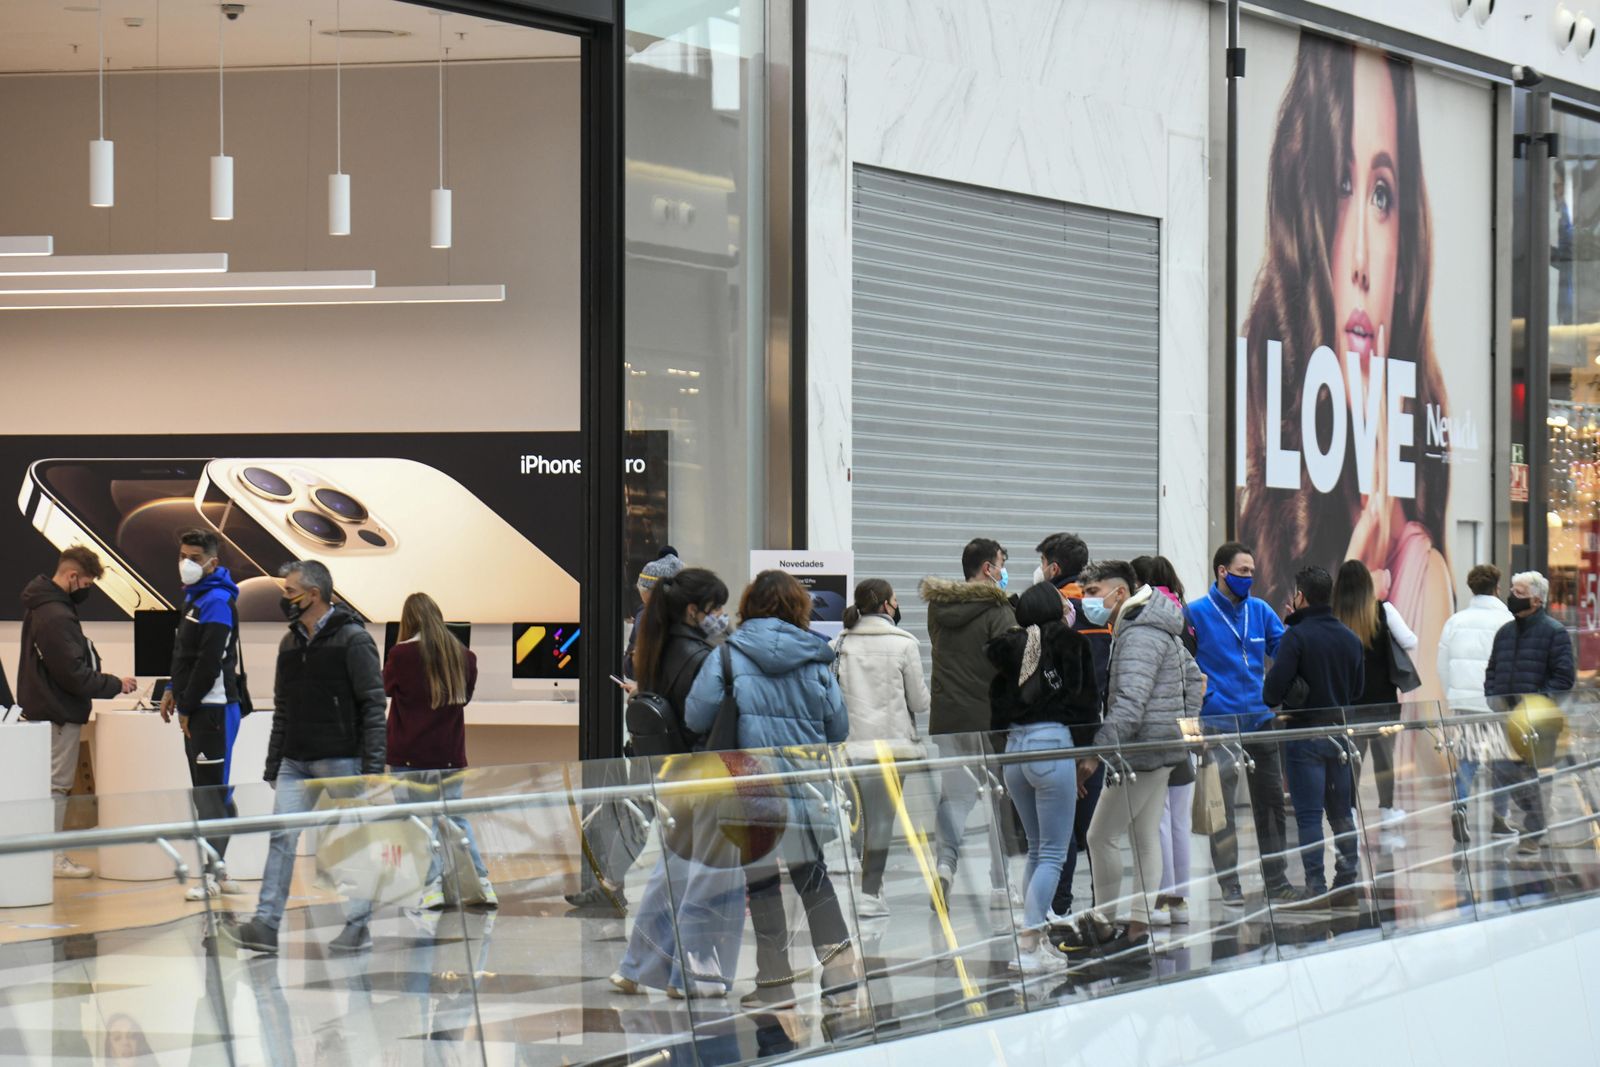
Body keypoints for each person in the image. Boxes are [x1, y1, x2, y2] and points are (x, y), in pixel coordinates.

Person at [1237, 36, 1454, 704]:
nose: (1360, 255)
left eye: (1383, 195)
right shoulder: (1270, 512)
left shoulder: (1416, 566)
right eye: (1341, 185)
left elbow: (1404, 790)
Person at [683, 570, 857, 1008]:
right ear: (798, 606)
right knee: (812, 877)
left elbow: (696, 717)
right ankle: (840, 977)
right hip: (803, 785)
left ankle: (775, 982)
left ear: (750, 605)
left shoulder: (726, 656)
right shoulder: (816, 659)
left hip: (750, 789)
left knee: (761, 884)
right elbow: (838, 728)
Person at [224, 560, 387, 956]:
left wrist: (372, 766)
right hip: (295, 759)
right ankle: (265, 924)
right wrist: (273, 761)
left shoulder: (353, 639)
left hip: (342, 758)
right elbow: (283, 707)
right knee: (282, 838)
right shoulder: (289, 643)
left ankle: (358, 925)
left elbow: (373, 704)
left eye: (290, 591)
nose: (284, 598)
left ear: (313, 594)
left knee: (349, 842)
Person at [611, 568, 747, 999]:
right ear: (694, 611)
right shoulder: (703, 658)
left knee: (671, 872)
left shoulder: (654, 650)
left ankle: (636, 966)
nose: (721, 617)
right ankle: (692, 975)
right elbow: (708, 719)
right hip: (708, 777)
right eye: (716, 608)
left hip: (672, 777)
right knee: (713, 879)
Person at [1075, 561, 1199, 954]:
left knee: (1100, 835)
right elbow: (1195, 679)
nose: (1087, 602)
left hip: (1142, 753)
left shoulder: (1138, 634)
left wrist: (1097, 754)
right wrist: (1181, 724)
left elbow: (1129, 703)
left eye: (1093, 593)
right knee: (1145, 836)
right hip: (1162, 750)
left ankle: (1106, 921)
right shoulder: (1158, 626)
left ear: (1120, 593)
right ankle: (1138, 926)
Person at [985, 582, 1096, 972]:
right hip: (1053, 746)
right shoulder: (1070, 644)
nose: (1071, 605)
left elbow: (996, 706)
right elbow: (1086, 703)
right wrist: (1083, 754)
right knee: (1053, 850)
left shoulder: (1009, 649)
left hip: (1014, 751)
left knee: (1036, 847)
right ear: (1054, 607)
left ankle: (1032, 937)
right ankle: (1029, 942)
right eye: (1065, 601)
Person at [568, 547, 684, 913]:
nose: (641, 599)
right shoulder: (668, 626)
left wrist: (643, 689)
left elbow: (679, 685)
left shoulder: (668, 630)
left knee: (650, 814)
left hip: (670, 743)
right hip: (661, 739)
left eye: (645, 593)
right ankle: (611, 884)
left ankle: (620, 885)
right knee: (641, 813)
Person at [17, 546, 137, 880]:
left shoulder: (45, 607)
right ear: (72, 577)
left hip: (48, 708)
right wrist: (114, 684)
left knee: (50, 786)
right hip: (57, 711)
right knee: (56, 786)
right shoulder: (55, 615)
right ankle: (52, 857)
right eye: (86, 583)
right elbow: (72, 673)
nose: (87, 590)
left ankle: (45, 854)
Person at [1187, 541, 1293, 908]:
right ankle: (1228, 882)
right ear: (1222, 571)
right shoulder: (1196, 614)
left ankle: (1276, 879)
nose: (1249, 577)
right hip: (1219, 722)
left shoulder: (1260, 610)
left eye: (1252, 571)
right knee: (1223, 808)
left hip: (1261, 720)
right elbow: (1185, 665)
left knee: (1271, 803)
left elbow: (1284, 652)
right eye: (1242, 571)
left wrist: (1295, 630)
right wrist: (1203, 703)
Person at [920, 539, 1018, 912]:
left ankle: (945, 867)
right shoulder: (999, 610)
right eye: (1001, 563)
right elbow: (1010, 666)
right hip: (989, 720)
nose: (1004, 571)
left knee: (955, 798)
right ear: (987, 569)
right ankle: (1000, 885)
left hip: (948, 720)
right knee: (998, 801)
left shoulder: (938, 608)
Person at [1263, 565, 1366, 907]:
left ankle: (1316, 884)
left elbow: (1271, 693)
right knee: (1341, 814)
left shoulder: (1297, 636)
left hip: (1304, 736)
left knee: (1309, 817)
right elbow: (1358, 689)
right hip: (1340, 736)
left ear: (1301, 597)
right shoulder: (1349, 637)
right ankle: (1348, 877)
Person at [385, 592, 496, 910]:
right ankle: (483, 882)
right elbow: (465, 698)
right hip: (449, 753)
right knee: (455, 816)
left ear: (408, 621)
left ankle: (432, 887)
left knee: (419, 823)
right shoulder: (464, 655)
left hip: (408, 753)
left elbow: (384, 687)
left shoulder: (401, 655)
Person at [830, 578, 929, 918]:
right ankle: (871, 891)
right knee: (883, 818)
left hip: (852, 747)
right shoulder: (904, 644)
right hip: (892, 747)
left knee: (860, 817)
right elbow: (919, 701)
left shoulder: (839, 644)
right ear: (887, 605)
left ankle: (867, 883)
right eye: (896, 600)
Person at [161, 529, 247, 901]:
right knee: (205, 793)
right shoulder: (194, 599)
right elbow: (186, 654)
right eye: (182, 555)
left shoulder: (216, 601)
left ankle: (214, 874)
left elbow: (210, 662)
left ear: (213, 562)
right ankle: (219, 868)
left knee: (213, 794)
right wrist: (169, 688)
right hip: (197, 708)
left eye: (195, 558)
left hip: (212, 711)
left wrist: (186, 705)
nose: (187, 563)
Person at [1034, 532, 1109, 921]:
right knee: (1096, 834)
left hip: (1062, 738)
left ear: (1054, 567)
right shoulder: (1103, 611)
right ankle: (1103, 910)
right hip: (1094, 736)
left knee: (1057, 835)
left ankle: (1058, 910)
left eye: (1044, 562)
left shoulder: (1054, 612)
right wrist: (1091, 750)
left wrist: (1074, 751)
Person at [1483, 571, 1576, 857]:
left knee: (1533, 775)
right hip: (1505, 717)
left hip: (1537, 719)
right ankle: (1536, 823)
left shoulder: (1554, 632)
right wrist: (1492, 695)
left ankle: (1533, 832)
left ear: (1536, 600)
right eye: (1511, 589)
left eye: (1519, 592)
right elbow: (1492, 669)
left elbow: (1564, 678)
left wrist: (1536, 702)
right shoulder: (1505, 632)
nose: (1512, 595)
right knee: (1503, 771)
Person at [1331, 559, 1419, 851]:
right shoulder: (1383, 610)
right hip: (1383, 701)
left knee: (1351, 760)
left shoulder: (1334, 616)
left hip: (1348, 703)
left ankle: (1351, 815)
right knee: (1384, 759)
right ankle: (1386, 812)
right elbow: (1410, 640)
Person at [1131, 556, 1198, 926]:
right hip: (1185, 723)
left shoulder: (1144, 614)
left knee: (1157, 817)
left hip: (1154, 727)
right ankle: (1180, 900)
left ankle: (1160, 895)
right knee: (1179, 819)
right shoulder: (1185, 613)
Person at [1436, 564, 1515, 843]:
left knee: (1467, 761)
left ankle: (1460, 809)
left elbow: (1442, 665)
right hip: (1497, 704)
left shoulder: (1455, 621)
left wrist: (1453, 695)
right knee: (1501, 762)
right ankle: (1499, 818)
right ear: (1497, 587)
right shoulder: (1507, 620)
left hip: (1464, 704)